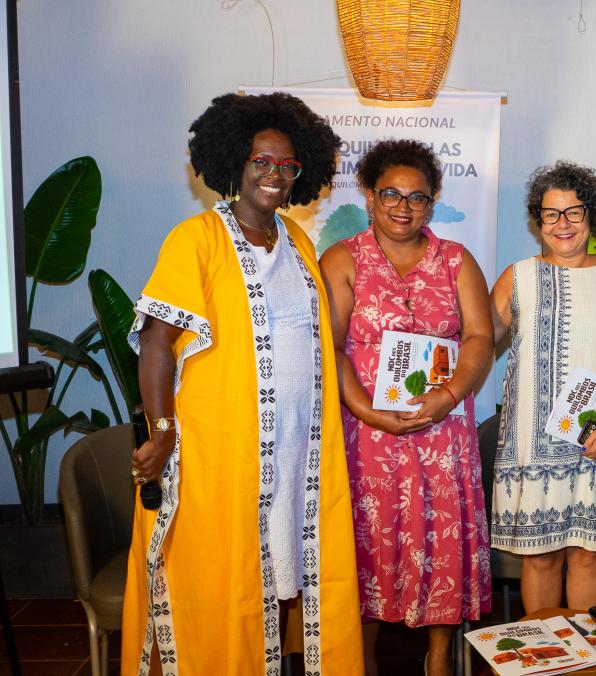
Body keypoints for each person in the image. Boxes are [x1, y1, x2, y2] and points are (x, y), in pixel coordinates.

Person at [123, 92, 363, 675]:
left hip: (291, 453)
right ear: (235, 162)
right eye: (261, 162)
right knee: (211, 579)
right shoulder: (197, 239)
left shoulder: (299, 244)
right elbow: (157, 342)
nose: (274, 176)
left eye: (287, 165)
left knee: (277, 576)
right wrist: (161, 430)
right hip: (219, 451)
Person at [319, 139, 493, 676]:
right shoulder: (343, 258)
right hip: (366, 430)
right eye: (391, 194)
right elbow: (334, 346)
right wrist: (367, 412)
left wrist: (447, 396)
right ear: (369, 197)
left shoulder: (457, 260)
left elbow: (481, 337)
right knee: (366, 540)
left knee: (442, 537)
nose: (403, 206)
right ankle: (361, 657)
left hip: (442, 430)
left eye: (417, 197)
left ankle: (439, 657)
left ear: (432, 203)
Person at [489, 161, 596, 613]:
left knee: (589, 557)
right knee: (539, 560)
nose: (562, 224)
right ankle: (546, 657)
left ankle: (587, 657)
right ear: (538, 220)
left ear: (593, 216)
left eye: (574, 212)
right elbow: (475, 341)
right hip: (531, 449)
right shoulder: (517, 276)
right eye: (551, 214)